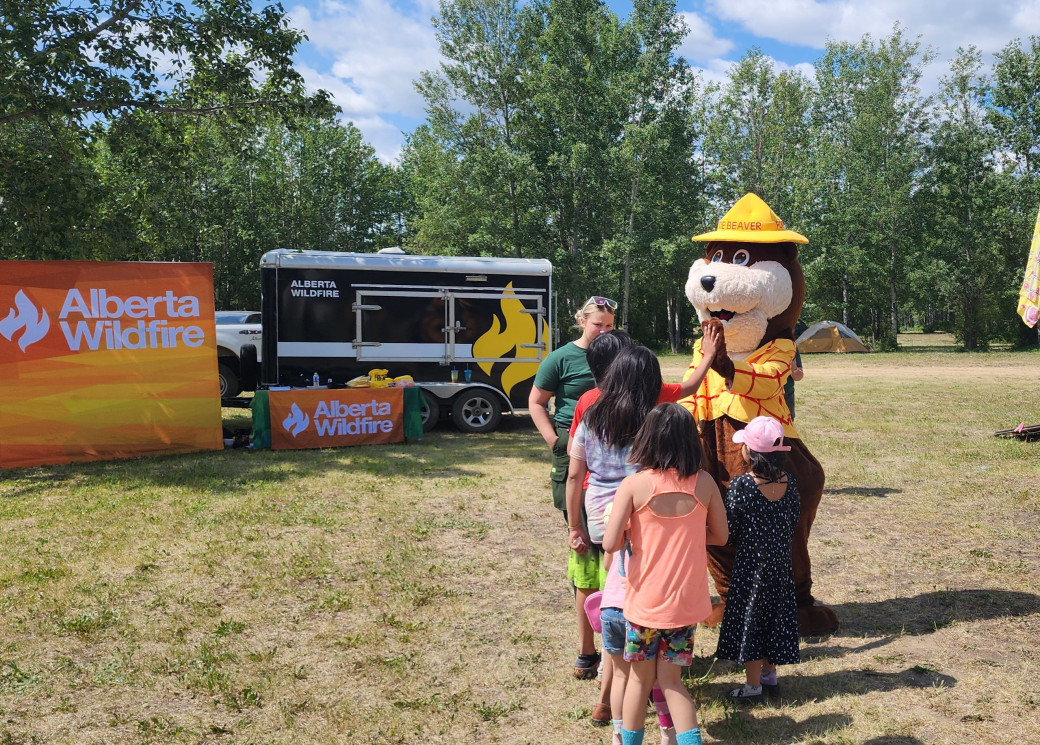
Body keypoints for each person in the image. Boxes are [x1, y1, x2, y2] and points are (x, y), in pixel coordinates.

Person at [603, 403, 729, 745]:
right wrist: (689, 533)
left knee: (639, 681)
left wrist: (630, 530)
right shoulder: (705, 483)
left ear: (647, 439)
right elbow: (721, 536)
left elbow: (610, 542)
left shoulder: (634, 485)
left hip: (644, 604)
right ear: (690, 441)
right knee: (672, 682)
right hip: (685, 606)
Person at [529, 295, 616, 679]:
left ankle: (615, 646)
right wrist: (555, 440)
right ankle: (587, 650)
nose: (603, 331)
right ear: (582, 321)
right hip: (574, 448)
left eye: (609, 326)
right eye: (598, 325)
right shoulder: (560, 358)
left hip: (613, 452)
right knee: (583, 551)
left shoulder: (617, 355)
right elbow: (536, 402)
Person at [715, 415, 800, 701]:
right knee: (774, 618)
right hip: (781, 567)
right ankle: (770, 677)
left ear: (749, 452)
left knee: (752, 622)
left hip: (751, 569)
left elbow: (730, 531)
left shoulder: (742, 486)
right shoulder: (791, 483)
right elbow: (793, 521)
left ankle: (753, 687)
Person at [783, 322, 806, 419]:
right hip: (766, 397)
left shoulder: (792, 347)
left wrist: (794, 369)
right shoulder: (762, 345)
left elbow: (798, 377)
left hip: (786, 395)